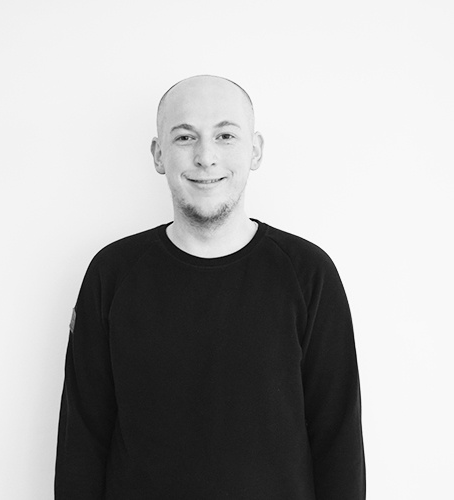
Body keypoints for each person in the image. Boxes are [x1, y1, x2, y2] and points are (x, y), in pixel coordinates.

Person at [55, 75, 366, 499]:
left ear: (254, 150)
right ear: (158, 154)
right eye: (185, 137)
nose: (205, 157)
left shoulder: (309, 273)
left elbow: (338, 444)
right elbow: (82, 444)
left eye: (225, 135)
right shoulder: (111, 274)